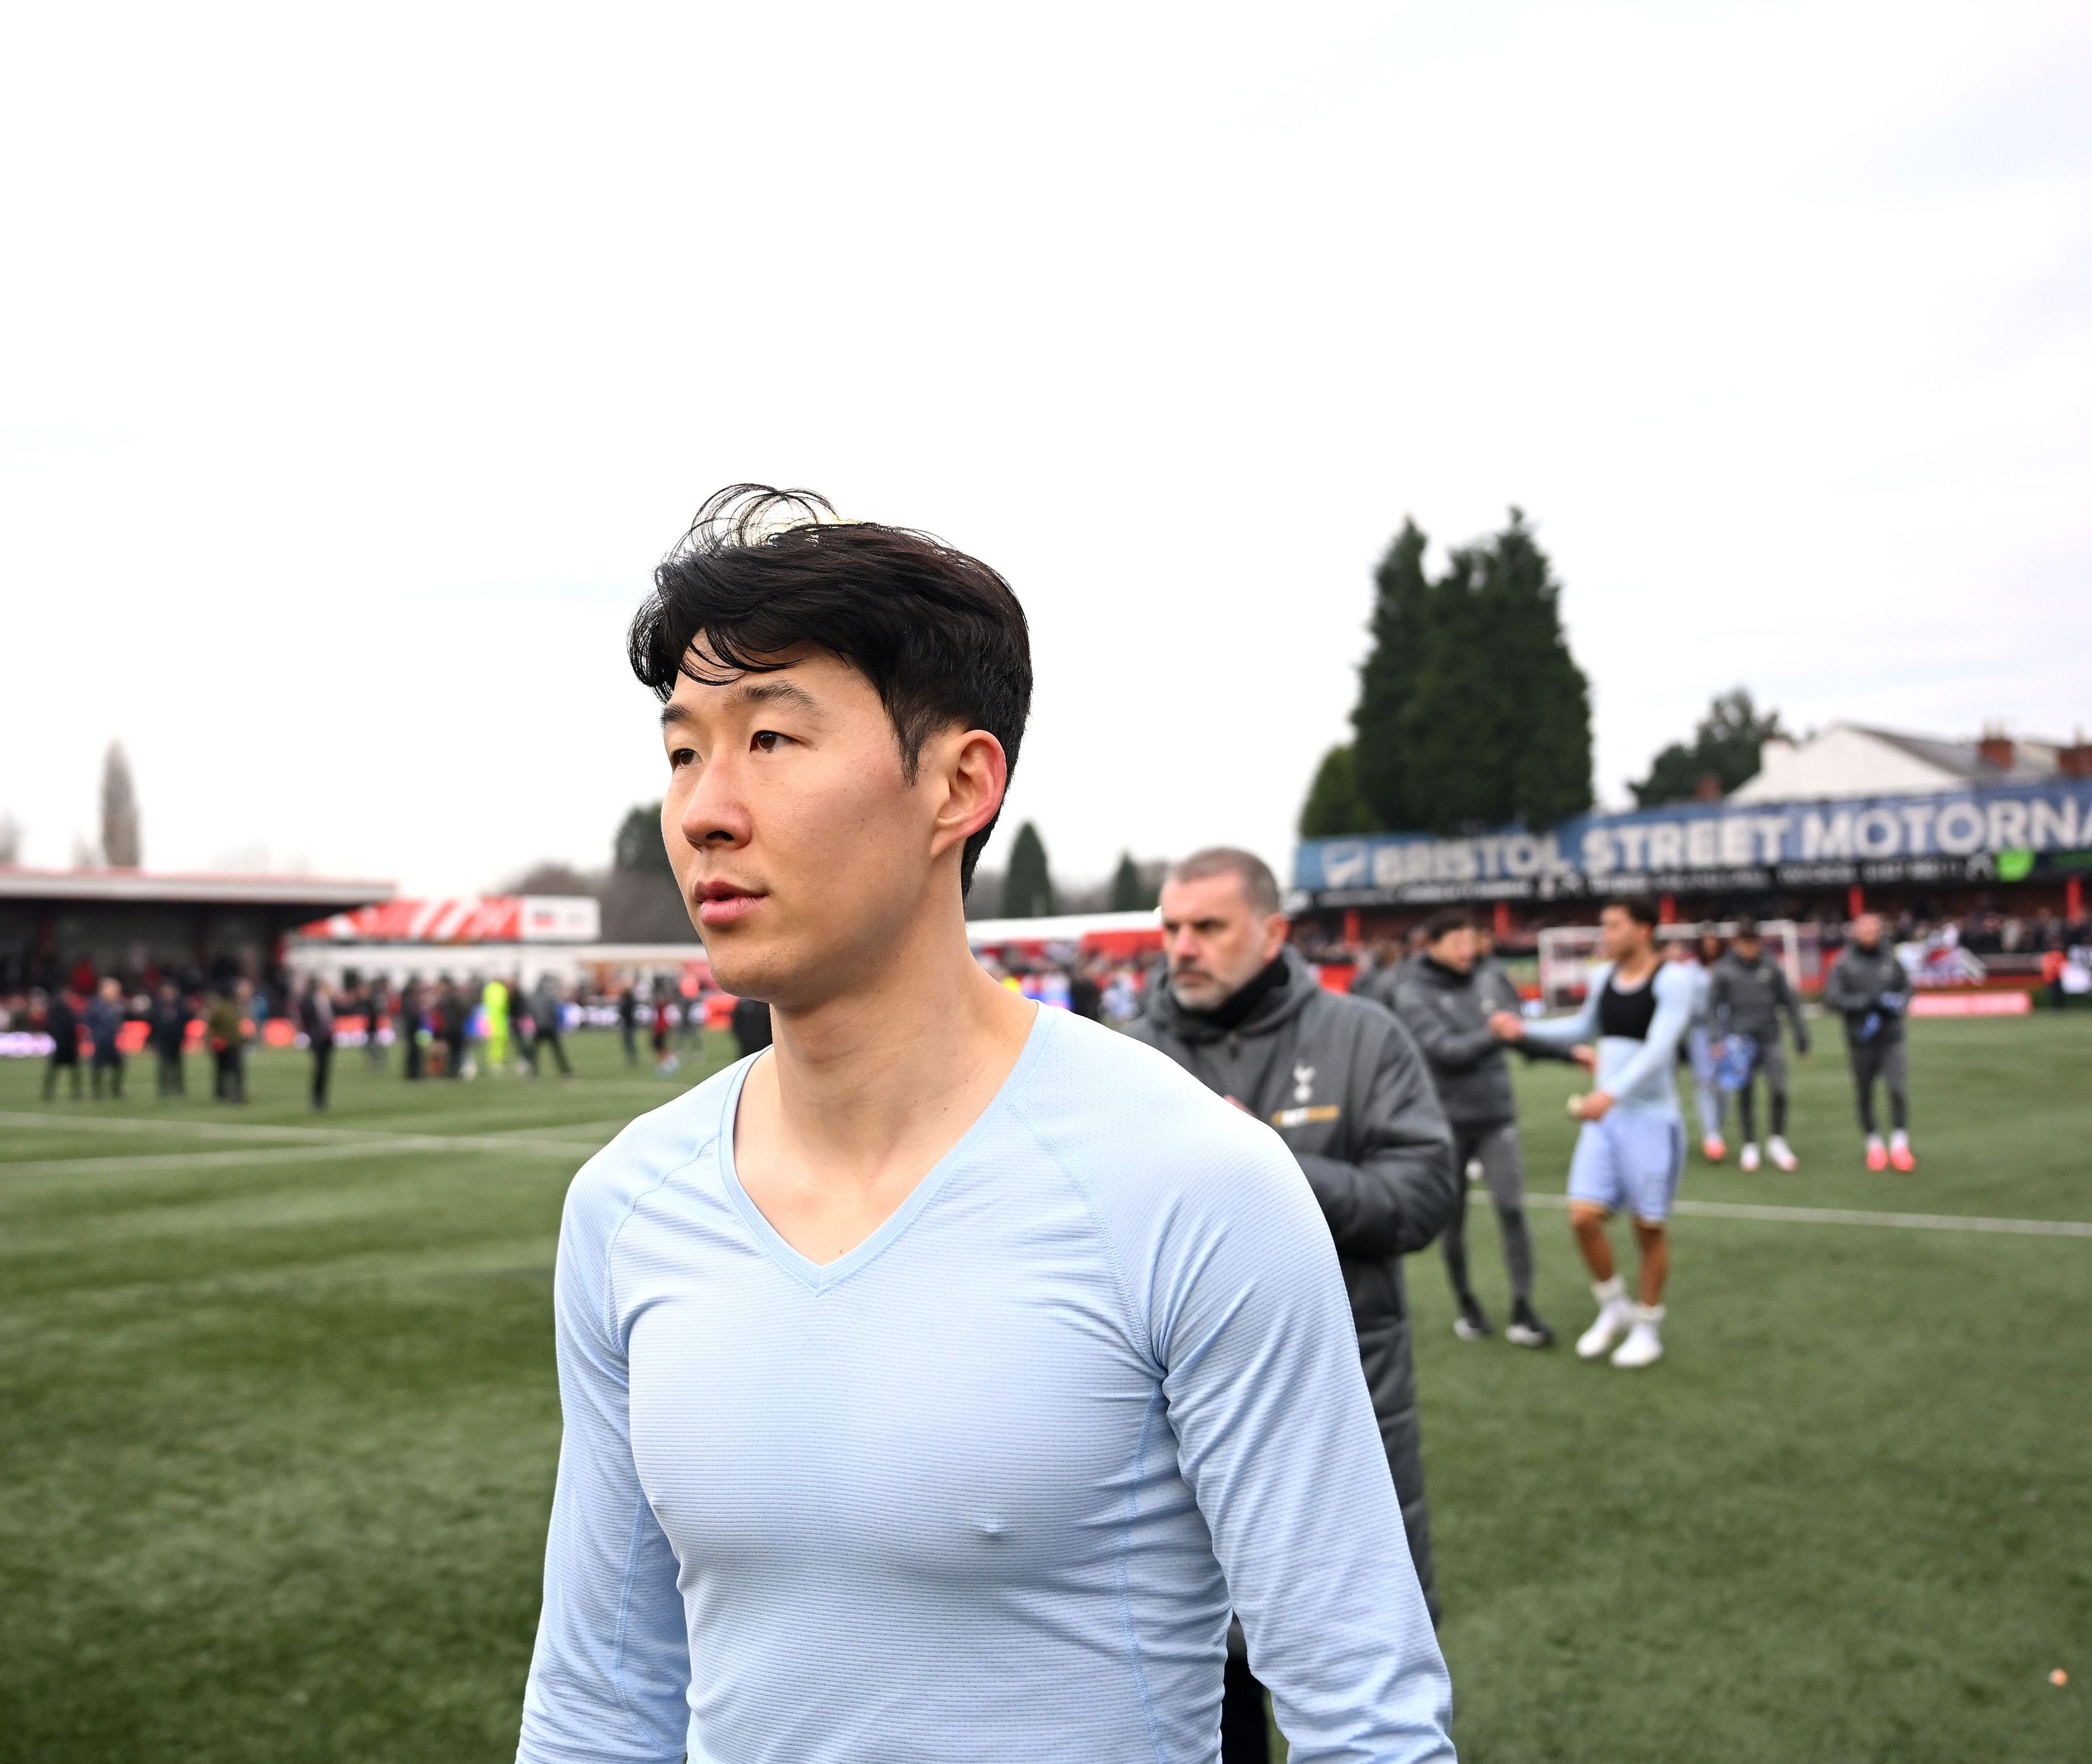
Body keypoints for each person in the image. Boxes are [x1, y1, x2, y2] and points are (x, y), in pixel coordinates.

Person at [518, 486, 1451, 1764]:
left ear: (959, 784)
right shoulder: (627, 1206)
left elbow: (1367, 1717)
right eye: (684, 751)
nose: (703, 811)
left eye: (771, 739)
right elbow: (596, 1702)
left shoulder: (1189, 1182)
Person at [1127, 847, 1460, 1762]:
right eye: (1171, 927)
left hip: (1345, 1418)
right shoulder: (1125, 1057)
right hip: (1163, 1441)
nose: (1182, 946)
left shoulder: (1363, 1036)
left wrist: (1265, 1163)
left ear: (1274, 932)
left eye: (1208, 926)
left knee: (1354, 1703)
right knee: (1204, 1714)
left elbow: (1423, 1195)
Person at [1380, 908, 1579, 1350]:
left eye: (1470, 940)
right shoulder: (1411, 990)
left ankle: (1523, 1310)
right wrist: (1494, 1034)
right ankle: (1468, 1306)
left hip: (1495, 1115)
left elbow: (1517, 1033)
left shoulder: (1490, 977)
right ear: (1433, 945)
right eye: (1457, 941)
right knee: (1453, 1220)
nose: (1467, 949)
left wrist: (1570, 1053)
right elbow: (1444, 1050)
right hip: (1445, 1124)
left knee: (1512, 1208)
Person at [1519, 898, 1699, 1370]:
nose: (1606, 934)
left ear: (1644, 929)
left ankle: (1648, 1325)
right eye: (1604, 925)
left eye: (1615, 925)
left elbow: (1659, 1048)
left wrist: (1611, 1092)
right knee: (1582, 1218)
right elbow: (1582, 1027)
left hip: (1650, 1120)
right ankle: (1615, 1306)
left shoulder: (1672, 980)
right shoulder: (1604, 978)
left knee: (1648, 1227)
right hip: (1606, 1119)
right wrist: (1521, 1029)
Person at [1708, 924, 1809, 1171]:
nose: (1749, 948)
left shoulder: (1771, 967)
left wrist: (1801, 1036)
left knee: (1779, 1088)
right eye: (1744, 943)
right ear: (1737, 944)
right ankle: (1750, 1144)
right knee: (1746, 1094)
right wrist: (1716, 1039)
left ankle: (1777, 1141)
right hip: (1740, 1043)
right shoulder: (1724, 970)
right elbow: (1712, 1007)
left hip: (1770, 1038)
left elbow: (1790, 1002)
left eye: (1752, 942)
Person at [1823, 912, 1916, 1171]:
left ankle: (1899, 1145)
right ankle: (1874, 1144)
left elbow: (1907, 989)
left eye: (1874, 930)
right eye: (1865, 930)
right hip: (1861, 1039)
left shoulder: (1891, 959)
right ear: (1856, 933)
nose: (1870, 935)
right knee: (1865, 1093)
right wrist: (1863, 1004)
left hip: (1891, 1036)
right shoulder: (1844, 962)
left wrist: (1897, 1004)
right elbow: (1832, 998)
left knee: (1897, 1089)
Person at [1666, 936, 1729, 1164]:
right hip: (1700, 1032)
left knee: (1724, 1084)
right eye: (1707, 947)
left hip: (1726, 1031)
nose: (1711, 950)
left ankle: (1716, 1128)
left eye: (1714, 946)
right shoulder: (1690, 972)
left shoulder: (1727, 969)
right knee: (1705, 1081)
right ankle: (1711, 1136)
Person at [87, 977, 129, 1100]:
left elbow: (119, 1022)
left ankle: (115, 1089)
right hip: (101, 1041)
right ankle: (97, 1091)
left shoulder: (116, 1006)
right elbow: (90, 1022)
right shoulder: (96, 1006)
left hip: (112, 1041)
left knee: (118, 1064)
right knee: (98, 1066)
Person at [206, 982, 248, 1103]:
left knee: (223, 1071)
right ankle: (235, 1094)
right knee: (233, 1071)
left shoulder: (222, 1007)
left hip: (227, 1044)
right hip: (228, 1044)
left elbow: (211, 1027)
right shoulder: (229, 1008)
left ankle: (224, 1094)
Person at [41, 987, 86, 1100]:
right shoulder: (67, 1012)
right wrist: (76, 1040)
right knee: (74, 1071)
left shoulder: (54, 1012)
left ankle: (48, 1093)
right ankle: (76, 1093)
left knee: (55, 1070)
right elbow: (73, 1026)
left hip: (61, 1045)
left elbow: (48, 1027)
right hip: (68, 1045)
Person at [302, 978, 341, 1110]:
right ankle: (317, 1098)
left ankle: (322, 1098)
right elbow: (306, 1018)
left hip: (328, 1040)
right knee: (319, 1068)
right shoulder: (310, 1001)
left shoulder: (330, 1002)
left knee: (325, 1069)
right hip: (317, 1039)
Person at [528, 975, 576, 1078]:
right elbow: (555, 1011)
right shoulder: (550, 996)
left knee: (535, 1052)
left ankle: (533, 1073)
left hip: (539, 1027)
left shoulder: (534, 996)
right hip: (549, 1027)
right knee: (557, 1051)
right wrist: (557, 1025)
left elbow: (532, 1011)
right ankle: (566, 1071)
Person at [149, 980, 190, 1097]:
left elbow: (186, 1019)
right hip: (163, 1040)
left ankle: (179, 1087)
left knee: (178, 1065)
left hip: (176, 1040)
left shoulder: (180, 1006)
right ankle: (163, 1087)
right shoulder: (158, 1006)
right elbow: (153, 1022)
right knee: (164, 1065)